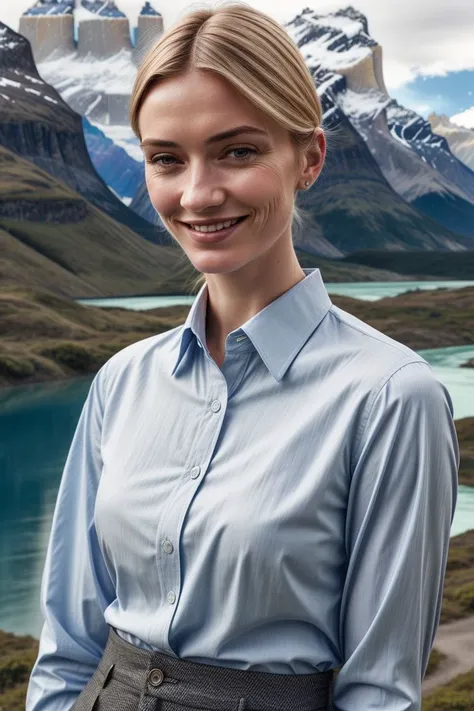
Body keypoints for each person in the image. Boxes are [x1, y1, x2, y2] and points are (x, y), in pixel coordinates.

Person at [26, 2, 459, 710]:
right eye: (167, 159)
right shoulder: (120, 383)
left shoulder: (392, 398)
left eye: (238, 151)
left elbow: (378, 692)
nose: (198, 193)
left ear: (309, 158)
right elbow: (69, 646)